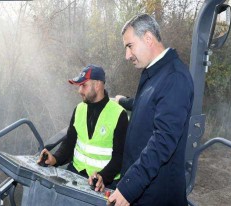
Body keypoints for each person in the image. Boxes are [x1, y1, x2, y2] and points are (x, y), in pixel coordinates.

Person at [109, 14, 194, 206]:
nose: (127, 55)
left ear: (148, 38)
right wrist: (123, 101)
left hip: (157, 196)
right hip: (144, 189)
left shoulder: (174, 77)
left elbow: (163, 140)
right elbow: (147, 105)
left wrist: (128, 186)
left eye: (129, 46)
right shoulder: (154, 73)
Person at [38, 65, 128, 191]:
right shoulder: (79, 109)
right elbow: (69, 143)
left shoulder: (120, 115)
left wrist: (103, 176)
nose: (79, 90)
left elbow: (120, 157)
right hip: (75, 174)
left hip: (104, 182)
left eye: (84, 85)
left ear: (97, 85)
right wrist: (55, 158)